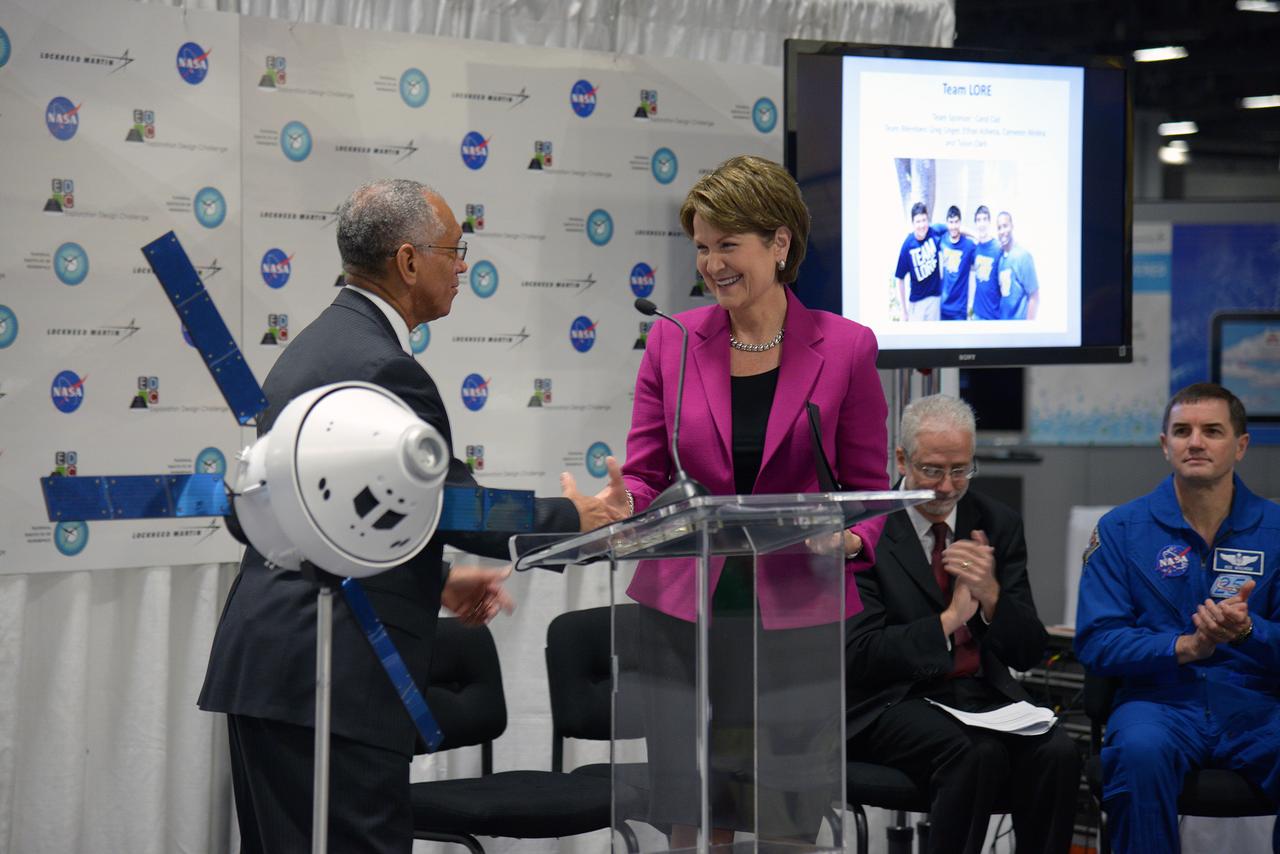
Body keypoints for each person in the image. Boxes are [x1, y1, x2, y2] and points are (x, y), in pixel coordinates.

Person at [198, 178, 624, 853]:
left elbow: (338, 517)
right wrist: (578, 515)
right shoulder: (382, 367)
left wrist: (438, 581)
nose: (463, 266)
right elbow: (456, 506)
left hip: (276, 669)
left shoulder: (319, 346)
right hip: (329, 678)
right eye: (454, 250)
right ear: (407, 261)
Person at [619, 154, 890, 846]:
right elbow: (646, 473)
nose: (712, 264)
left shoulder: (848, 347)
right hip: (686, 605)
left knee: (785, 806)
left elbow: (868, 486)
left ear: (779, 243)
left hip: (799, 603)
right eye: (703, 248)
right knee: (691, 804)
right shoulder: (672, 340)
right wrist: (617, 503)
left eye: (727, 245)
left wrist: (855, 539)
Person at [845, 394, 1080, 854]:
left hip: (979, 695)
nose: (949, 486)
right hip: (890, 700)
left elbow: (1029, 651)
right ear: (901, 459)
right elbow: (861, 655)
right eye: (933, 470)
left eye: (962, 469)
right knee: (975, 753)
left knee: (1059, 752)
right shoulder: (866, 527)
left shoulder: (996, 523)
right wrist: (950, 620)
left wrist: (992, 595)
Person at [1075, 383, 1280, 854]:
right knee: (1137, 754)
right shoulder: (1122, 530)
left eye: (1212, 431)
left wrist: (1250, 632)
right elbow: (1097, 642)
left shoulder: (1275, 530)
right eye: (1182, 431)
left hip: (1256, 704)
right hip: (1157, 703)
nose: (1196, 442)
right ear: (1165, 445)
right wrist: (1184, 647)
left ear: (1240, 445)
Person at [896, 201, 948, 321]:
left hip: (934, 299)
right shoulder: (907, 246)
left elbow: (954, 227)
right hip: (917, 302)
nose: (922, 225)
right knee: (916, 339)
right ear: (913, 223)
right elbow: (900, 278)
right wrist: (904, 311)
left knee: (934, 338)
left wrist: (977, 236)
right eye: (918, 221)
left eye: (924, 220)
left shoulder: (934, 231)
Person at [995, 211, 1039, 320]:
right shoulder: (1001, 259)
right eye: (999, 228)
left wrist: (1028, 329)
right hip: (1004, 326)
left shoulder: (1023, 256)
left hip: (1019, 327)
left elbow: (1034, 296)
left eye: (1005, 226)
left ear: (1012, 226)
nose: (1002, 231)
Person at [939, 205, 977, 321]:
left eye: (956, 222)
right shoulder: (942, 240)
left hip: (959, 309)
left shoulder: (969, 246)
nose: (953, 226)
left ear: (960, 223)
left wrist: (975, 234)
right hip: (942, 306)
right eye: (951, 222)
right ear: (947, 223)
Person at [969, 205, 1003, 321]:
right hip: (977, 313)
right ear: (975, 223)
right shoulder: (975, 248)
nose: (982, 224)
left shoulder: (998, 248)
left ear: (989, 222)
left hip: (994, 315)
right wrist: (974, 234)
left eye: (984, 219)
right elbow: (958, 230)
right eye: (978, 220)